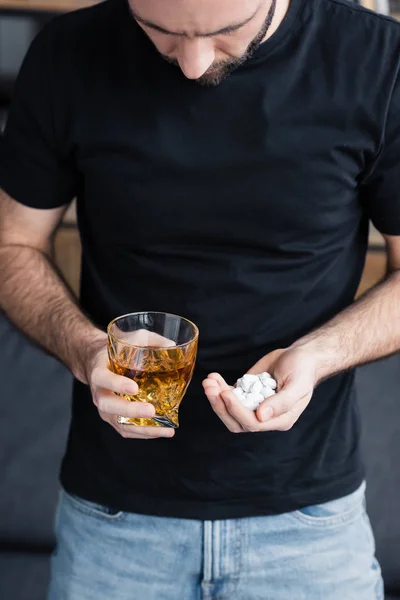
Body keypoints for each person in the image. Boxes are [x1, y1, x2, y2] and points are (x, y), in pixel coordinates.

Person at [0, 0, 399, 597]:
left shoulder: (378, 60)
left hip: (308, 526)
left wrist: (317, 356)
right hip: (112, 523)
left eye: (223, 34)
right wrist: (87, 350)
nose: (191, 65)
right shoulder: (66, 55)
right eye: (158, 32)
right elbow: (12, 246)